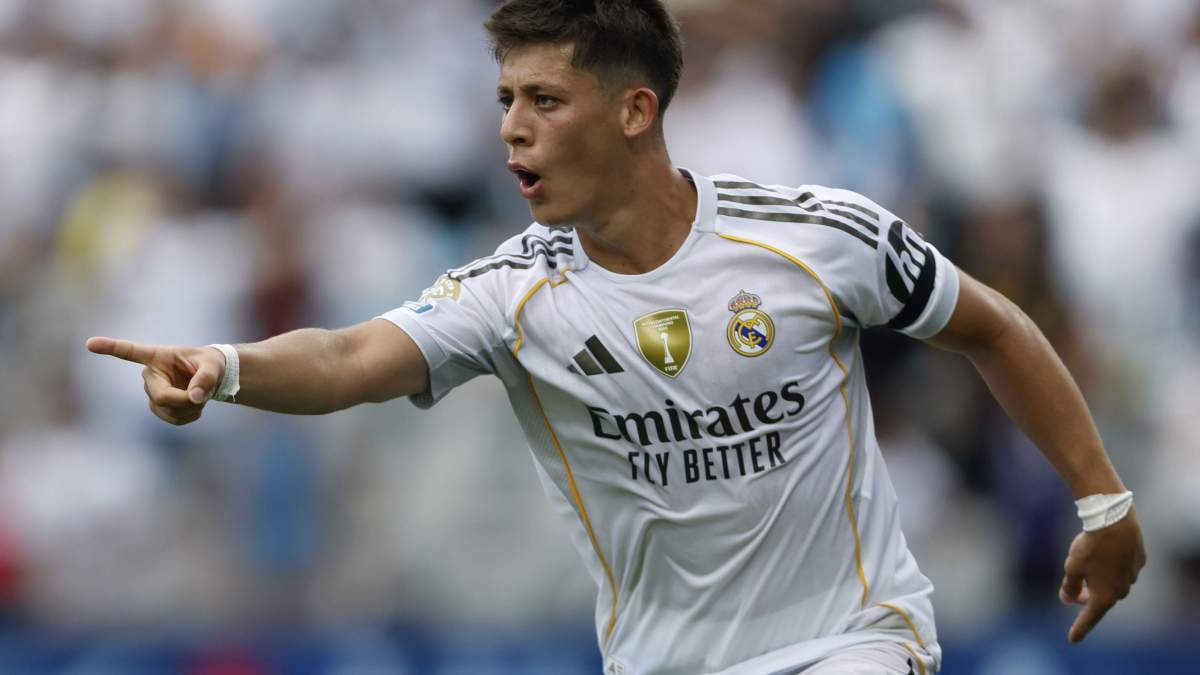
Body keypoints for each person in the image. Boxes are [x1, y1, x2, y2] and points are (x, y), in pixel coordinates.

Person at [87, 1, 1145, 673]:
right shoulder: (510, 294)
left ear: (636, 110)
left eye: (545, 99)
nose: (511, 126)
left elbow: (994, 327)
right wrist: (224, 369)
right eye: (505, 98)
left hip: (849, 642)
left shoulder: (819, 236)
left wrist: (1104, 502)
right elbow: (347, 358)